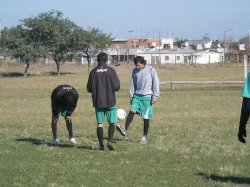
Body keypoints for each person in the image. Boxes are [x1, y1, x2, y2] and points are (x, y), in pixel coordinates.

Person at [116, 56, 160, 144]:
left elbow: (156, 82)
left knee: (145, 117)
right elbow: (133, 83)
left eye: (138, 65)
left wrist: (155, 96)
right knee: (132, 110)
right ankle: (124, 129)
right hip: (137, 96)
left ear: (143, 63)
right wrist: (131, 96)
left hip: (147, 97)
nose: (137, 67)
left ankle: (144, 137)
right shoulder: (135, 70)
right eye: (136, 65)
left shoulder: (151, 69)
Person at [87, 52, 120, 151]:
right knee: (112, 122)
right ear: (106, 60)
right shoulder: (111, 71)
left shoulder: (93, 72)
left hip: (98, 102)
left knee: (100, 124)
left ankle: (101, 144)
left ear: (97, 60)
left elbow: (89, 88)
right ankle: (109, 141)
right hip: (110, 101)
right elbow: (117, 87)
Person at [238, 72, 250, 143]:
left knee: (244, 118)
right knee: (244, 117)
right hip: (248, 98)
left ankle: (243, 130)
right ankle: (240, 134)